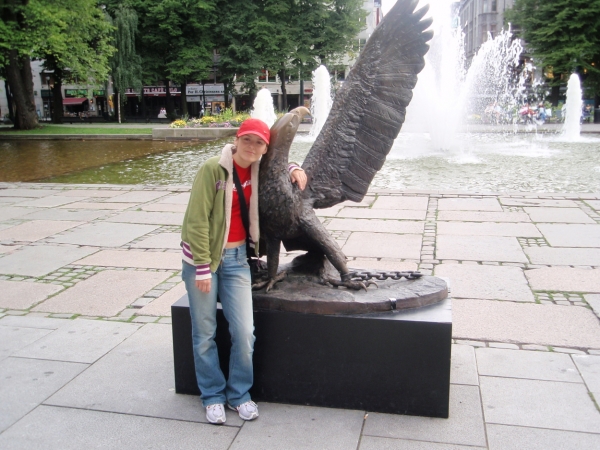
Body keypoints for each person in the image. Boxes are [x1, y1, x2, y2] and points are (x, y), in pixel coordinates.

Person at [181, 118, 307, 425]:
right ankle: (212, 395)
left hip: (237, 260)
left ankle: (238, 394)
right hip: (203, 261)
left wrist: (293, 167)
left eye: (259, 142)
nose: (252, 146)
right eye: (247, 139)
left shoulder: (257, 170)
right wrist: (201, 268)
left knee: (244, 333)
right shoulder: (213, 169)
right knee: (205, 333)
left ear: (265, 148)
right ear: (236, 140)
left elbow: (279, 167)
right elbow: (196, 220)